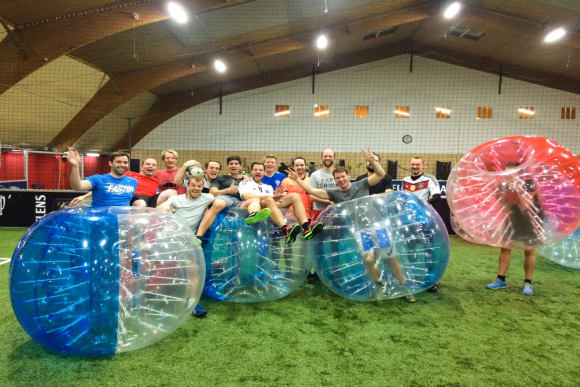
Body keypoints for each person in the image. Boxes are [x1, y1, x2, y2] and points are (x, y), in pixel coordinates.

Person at [287, 149, 414, 302]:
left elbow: (381, 175)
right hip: (363, 231)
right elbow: (312, 190)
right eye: (337, 178)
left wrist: (373, 161)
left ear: (348, 176)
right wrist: (298, 180)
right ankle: (380, 286)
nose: (341, 180)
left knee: (391, 257)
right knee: (368, 259)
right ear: (334, 180)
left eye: (343, 177)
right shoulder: (335, 193)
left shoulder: (361, 184)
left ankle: (404, 287)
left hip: (379, 227)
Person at [158, 175, 215, 316]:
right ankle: (153, 298)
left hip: (187, 239)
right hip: (169, 237)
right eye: (193, 185)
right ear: (188, 186)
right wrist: (164, 210)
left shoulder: (207, 198)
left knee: (193, 269)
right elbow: (160, 207)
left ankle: (192, 303)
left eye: (199, 186)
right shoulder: (177, 199)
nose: (196, 188)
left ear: (203, 187)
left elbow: (218, 200)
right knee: (161, 267)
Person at [486, 162, 543, 295]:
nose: (509, 176)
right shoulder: (504, 185)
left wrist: (517, 189)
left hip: (529, 219)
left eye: (512, 172)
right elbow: (504, 206)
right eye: (506, 173)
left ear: (519, 173)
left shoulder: (528, 183)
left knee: (529, 251)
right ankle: (501, 279)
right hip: (513, 218)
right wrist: (501, 194)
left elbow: (525, 206)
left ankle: (528, 282)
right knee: (505, 248)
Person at [238, 162, 324, 244]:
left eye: (260, 170)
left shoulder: (268, 187)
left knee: (294, 196)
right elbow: (246, 196)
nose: (258, 172)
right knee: (268, 199)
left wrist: (278, 196)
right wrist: (269, 197)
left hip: (268, 205)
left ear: (264, 172)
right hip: (252, 206)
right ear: (251, 172)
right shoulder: (245, 182)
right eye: (255, 170)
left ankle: (306, 227)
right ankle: (285, 228)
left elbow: (272, 202)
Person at [402, 156, 441, 293]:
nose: (415, 167)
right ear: (409, 165)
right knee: (410, 249)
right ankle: (411, 277)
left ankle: (432, 281)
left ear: (423, 166)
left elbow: (437, 196)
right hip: (409, 222)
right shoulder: (405, 181)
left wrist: (421, 206)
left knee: (428, 250)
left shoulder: (430, 179)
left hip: (425, 221)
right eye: (412, 164)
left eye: (417, 165)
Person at [69, 157, 160, 208]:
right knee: (141, 203)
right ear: (142, 166)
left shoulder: (154, 182)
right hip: (135, 200)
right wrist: (84, 197)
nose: (151, 166)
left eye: (153, 165)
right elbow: (103, 187)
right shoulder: (130, 176)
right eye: (148, 164)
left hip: (147, 201)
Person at [194, 155, 246, 240]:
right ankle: (199, 235)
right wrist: (228, 191)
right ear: (227, 166)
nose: (233, 165)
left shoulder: (246, 180)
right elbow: (212, 192)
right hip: (226, 199)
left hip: (240, 202)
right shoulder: (221, 178)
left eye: (236, 164)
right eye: (231, 163)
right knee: (218, 203)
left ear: (240, 166)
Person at [67, 149, 137, 207]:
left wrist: (84, 197)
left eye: (125, 162)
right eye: (119, 162)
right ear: (110, 163)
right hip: (101, 221)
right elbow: (77, 186)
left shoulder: (133, 182)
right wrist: (75, 166)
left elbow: (106, 190)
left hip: (121, 222)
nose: (122, 165)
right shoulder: (98, 179)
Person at [309, 148, 338, 220]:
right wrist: (327, 201)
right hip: (319, 211)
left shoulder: (339, 174)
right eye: (325, 156)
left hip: (337, 210)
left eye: (330, 156)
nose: (327, 158)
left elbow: (345, 192)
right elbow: (311, 196)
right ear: (321, 158)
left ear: (334, 158)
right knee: (318, 231)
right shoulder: (315, 175)